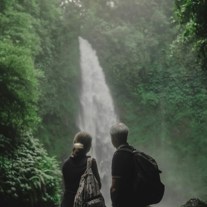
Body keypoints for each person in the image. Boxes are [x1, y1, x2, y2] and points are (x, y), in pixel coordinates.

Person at [110, 122, 147, 207]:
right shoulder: (133, 151)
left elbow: (115, 186)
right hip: (137, 199)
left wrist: (114, 203)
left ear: (114, 139)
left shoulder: (118, 155)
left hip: (124, 201)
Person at [61, 131, 102, 207]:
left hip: (67, 202)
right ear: (89, 147)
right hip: (84, 203)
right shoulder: (91, 163)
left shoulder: (66, 164)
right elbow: (98, 186)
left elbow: (66, 187)